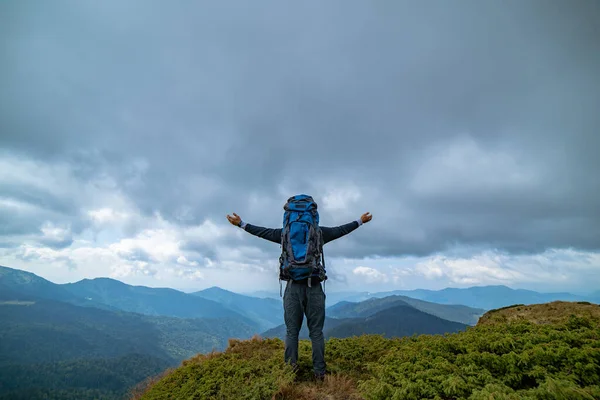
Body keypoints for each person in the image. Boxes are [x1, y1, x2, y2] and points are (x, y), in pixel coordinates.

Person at [226, 198, 372, 381]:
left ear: (289, 216)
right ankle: (319, 374)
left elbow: (262, 232)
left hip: (293, 286)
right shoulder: (319, 233)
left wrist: (241, 224)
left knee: (291, 332)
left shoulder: (284, 234)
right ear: (313, 216)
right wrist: (360, 221)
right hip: (314, 286)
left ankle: (290, 373)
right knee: (316, 333)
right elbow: (341, 230)